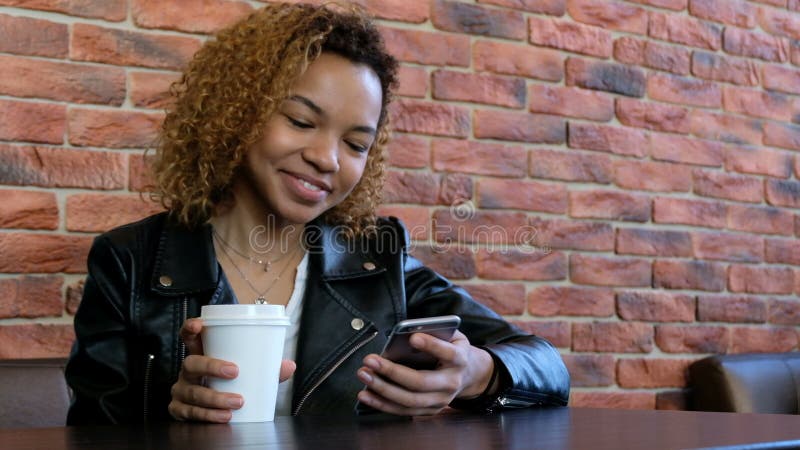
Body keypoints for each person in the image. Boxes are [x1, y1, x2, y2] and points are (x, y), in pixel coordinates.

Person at [64, 2, 570, 425]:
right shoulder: (130, 261)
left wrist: (474, 373)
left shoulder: (376, 262)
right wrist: (171, 413)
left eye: (355, 143)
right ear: (237, 112)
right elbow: (90, 429)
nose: (327, 159)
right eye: (302, 121)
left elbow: (546, 366)